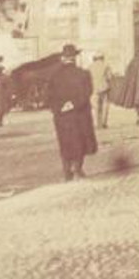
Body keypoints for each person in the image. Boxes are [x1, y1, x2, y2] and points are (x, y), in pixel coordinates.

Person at [45, 44, 97, 181]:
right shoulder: (84, 74)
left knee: (65, 141)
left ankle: (67, 171)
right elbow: (87, 92)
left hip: (62, 115)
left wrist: (59, 107)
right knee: (80, 140)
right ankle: (78, 168)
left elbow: (48, 96)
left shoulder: (54, 76)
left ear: (63, 58)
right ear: (75, 57)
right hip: (79, 113)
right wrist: (73, 104)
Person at [89, 53, 113, 129]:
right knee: (105, 105)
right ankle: (104, 123)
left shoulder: (90, 66)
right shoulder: (106, 65)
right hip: (104, 87)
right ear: (102, 57)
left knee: (95, 106)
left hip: (94, 88)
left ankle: (96, 123)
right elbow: (109, 77)